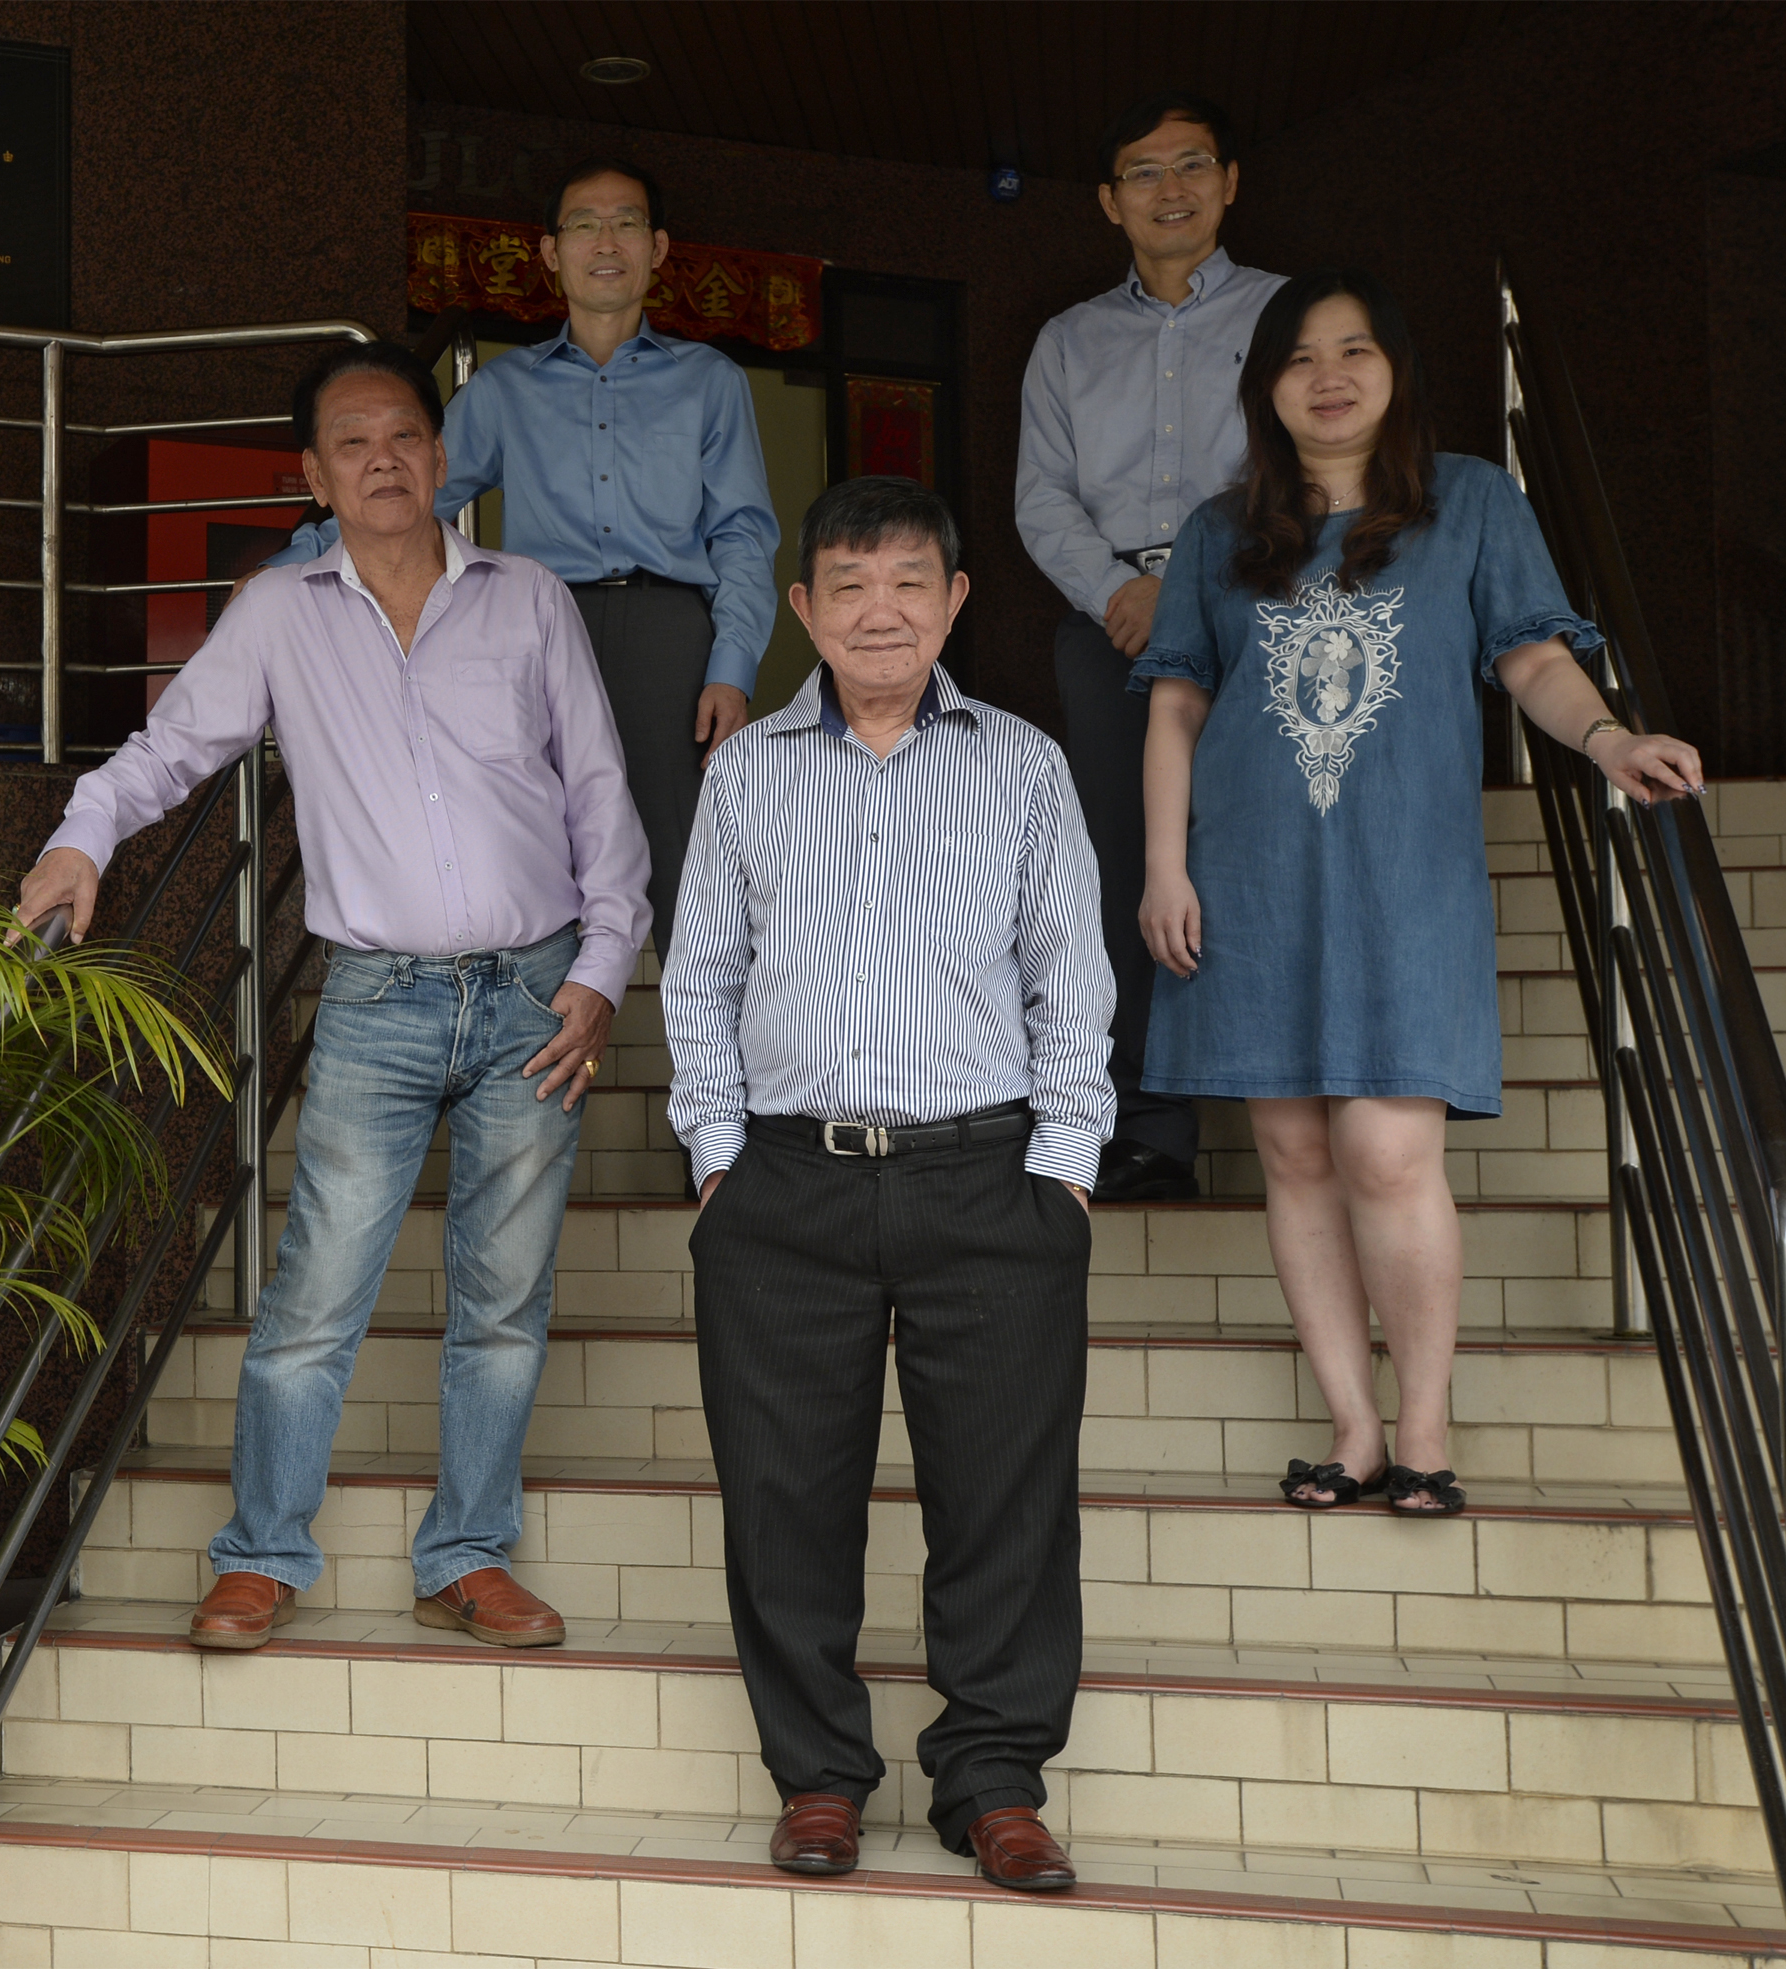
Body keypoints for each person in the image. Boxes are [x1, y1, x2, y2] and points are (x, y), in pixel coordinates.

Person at [18, 342, 651, 1651]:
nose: (384, 459)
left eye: (406, 434)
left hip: (537, 994)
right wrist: (84, 834)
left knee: (502, 1296)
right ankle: (260, 1552)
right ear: (311, 472)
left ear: (440, 453)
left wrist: (602, 969)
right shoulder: (278, 614)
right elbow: (174, 746)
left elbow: (599, 790)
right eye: (352, 442)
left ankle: (468, 1554)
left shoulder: (529, 599)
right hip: (377, 999)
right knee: (314, 1291)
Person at [1131, 269, 1701, 1520]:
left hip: (1405, 872)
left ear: (1394, 369)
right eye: (1297, 359)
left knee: (1387, 1152)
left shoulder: (1472, 501)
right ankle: (1352, 1429)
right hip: (1247, 874)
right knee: (1288, 1150)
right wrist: (1164, 864)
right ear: (1265, 386)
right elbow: (1177, 701)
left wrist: (1608, 742)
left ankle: (1427, 1427)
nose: (1326, 376)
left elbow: (1532, 657)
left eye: (1353, 351)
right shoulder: (1219, 530)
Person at [664, 476, 1113, 1894]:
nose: (879, 611)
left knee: (1005, 1504)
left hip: (988, 1183)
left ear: (956, 600)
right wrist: (718, 1161)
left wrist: (1066, 1173)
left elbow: (1069, 979)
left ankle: (994, 1779)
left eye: (909, 582)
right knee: (783, 1498)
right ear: (801, 608)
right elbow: (699, 982)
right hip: (785, 1192)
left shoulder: (1025, 765)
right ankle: (816, 1779)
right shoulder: (743, 773)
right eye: (848, 585)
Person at [263, 157, 775, 969]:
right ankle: (536, 1075)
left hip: (668, 639)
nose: (605, 241)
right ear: (548, 252)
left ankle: (711, 1092)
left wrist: (732, 665)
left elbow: (744, 535)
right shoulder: (505, 390)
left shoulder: (709, 383)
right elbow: (404, 493)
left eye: (626, 222)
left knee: (689, 871)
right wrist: (293, 562)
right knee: (535, 854)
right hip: (536, 631)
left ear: (658, 247)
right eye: (582, 224)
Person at [1017, 90, 1286, 1201]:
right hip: (1112, 630)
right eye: (1143, 171)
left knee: (1269, 856)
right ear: (1107, 201)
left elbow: (1311, 466)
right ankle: (1148, 1125)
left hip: (1269, 612)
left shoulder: (1289, 317)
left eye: (1191, 165)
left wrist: (1195, 584)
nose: (1168, 188)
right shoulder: (1068, 342)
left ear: (1228, 182)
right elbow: (1041, 502)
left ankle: (1290, 1109)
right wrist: (1123, 591)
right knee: (1122, 867)